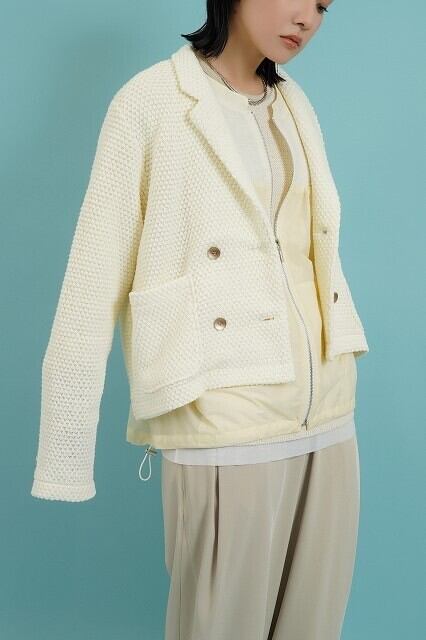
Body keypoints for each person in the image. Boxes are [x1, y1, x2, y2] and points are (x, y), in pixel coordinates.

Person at [31, 1, 370, 638]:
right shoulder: (150, 103)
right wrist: (65, 454)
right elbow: (90, 283)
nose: (308, 18)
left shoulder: (294, 102)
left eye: (324, 5)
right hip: (221, 419)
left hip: (328, 412)